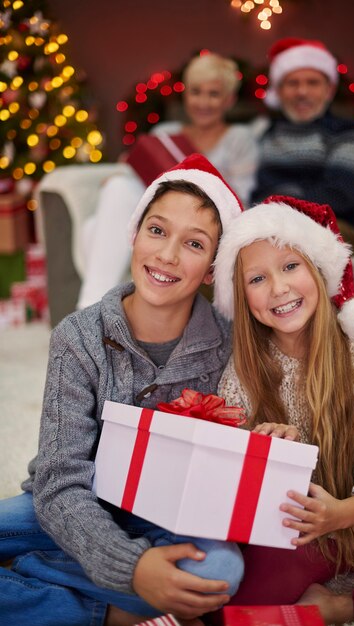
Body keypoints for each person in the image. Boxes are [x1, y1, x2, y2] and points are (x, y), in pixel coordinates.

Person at [0, 154, 250, 626]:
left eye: (193, 244)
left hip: (174, 515)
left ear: (214, 268)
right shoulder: (77, 336)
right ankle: (110, 612)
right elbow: (59, 481)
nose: (168, 255)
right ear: (134, 235)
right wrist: (132, 569)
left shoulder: (229, 343)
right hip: (74, 500)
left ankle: (34, 578)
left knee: (220, 574)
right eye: (157, 231)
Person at [213, 196, 354, 625]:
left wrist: (340, 514)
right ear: (242, 296)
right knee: (234, 607)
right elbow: (232, 484)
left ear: (318, 271)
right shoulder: (244, 372)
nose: (279, 288)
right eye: (257, 278)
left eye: (291, 266)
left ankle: (345, 605)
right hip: (305, 535)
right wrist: (262, 453)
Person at [77, 52, 258, 310]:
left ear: (229, 100)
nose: (203, 102)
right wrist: (119, 173)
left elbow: (242, 198)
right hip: (160, 219)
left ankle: (91, 309)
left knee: (92, 230)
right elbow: (135, 176)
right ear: (185, 95)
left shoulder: (239, 138)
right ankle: (99, 309)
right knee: (116, 189)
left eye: (213, 94)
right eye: (196, 92)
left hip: (203, 223)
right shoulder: (164, 134)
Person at [252, 37, 354, 252]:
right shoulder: (265, 133)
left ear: (329, 90)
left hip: (334, 228)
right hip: (267, 225)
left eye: (313, 82)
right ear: (279, 91)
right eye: (293, 83)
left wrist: (276, 207)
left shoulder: (350, 132)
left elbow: (340, 194)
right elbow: (252, 190)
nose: (302, 92)